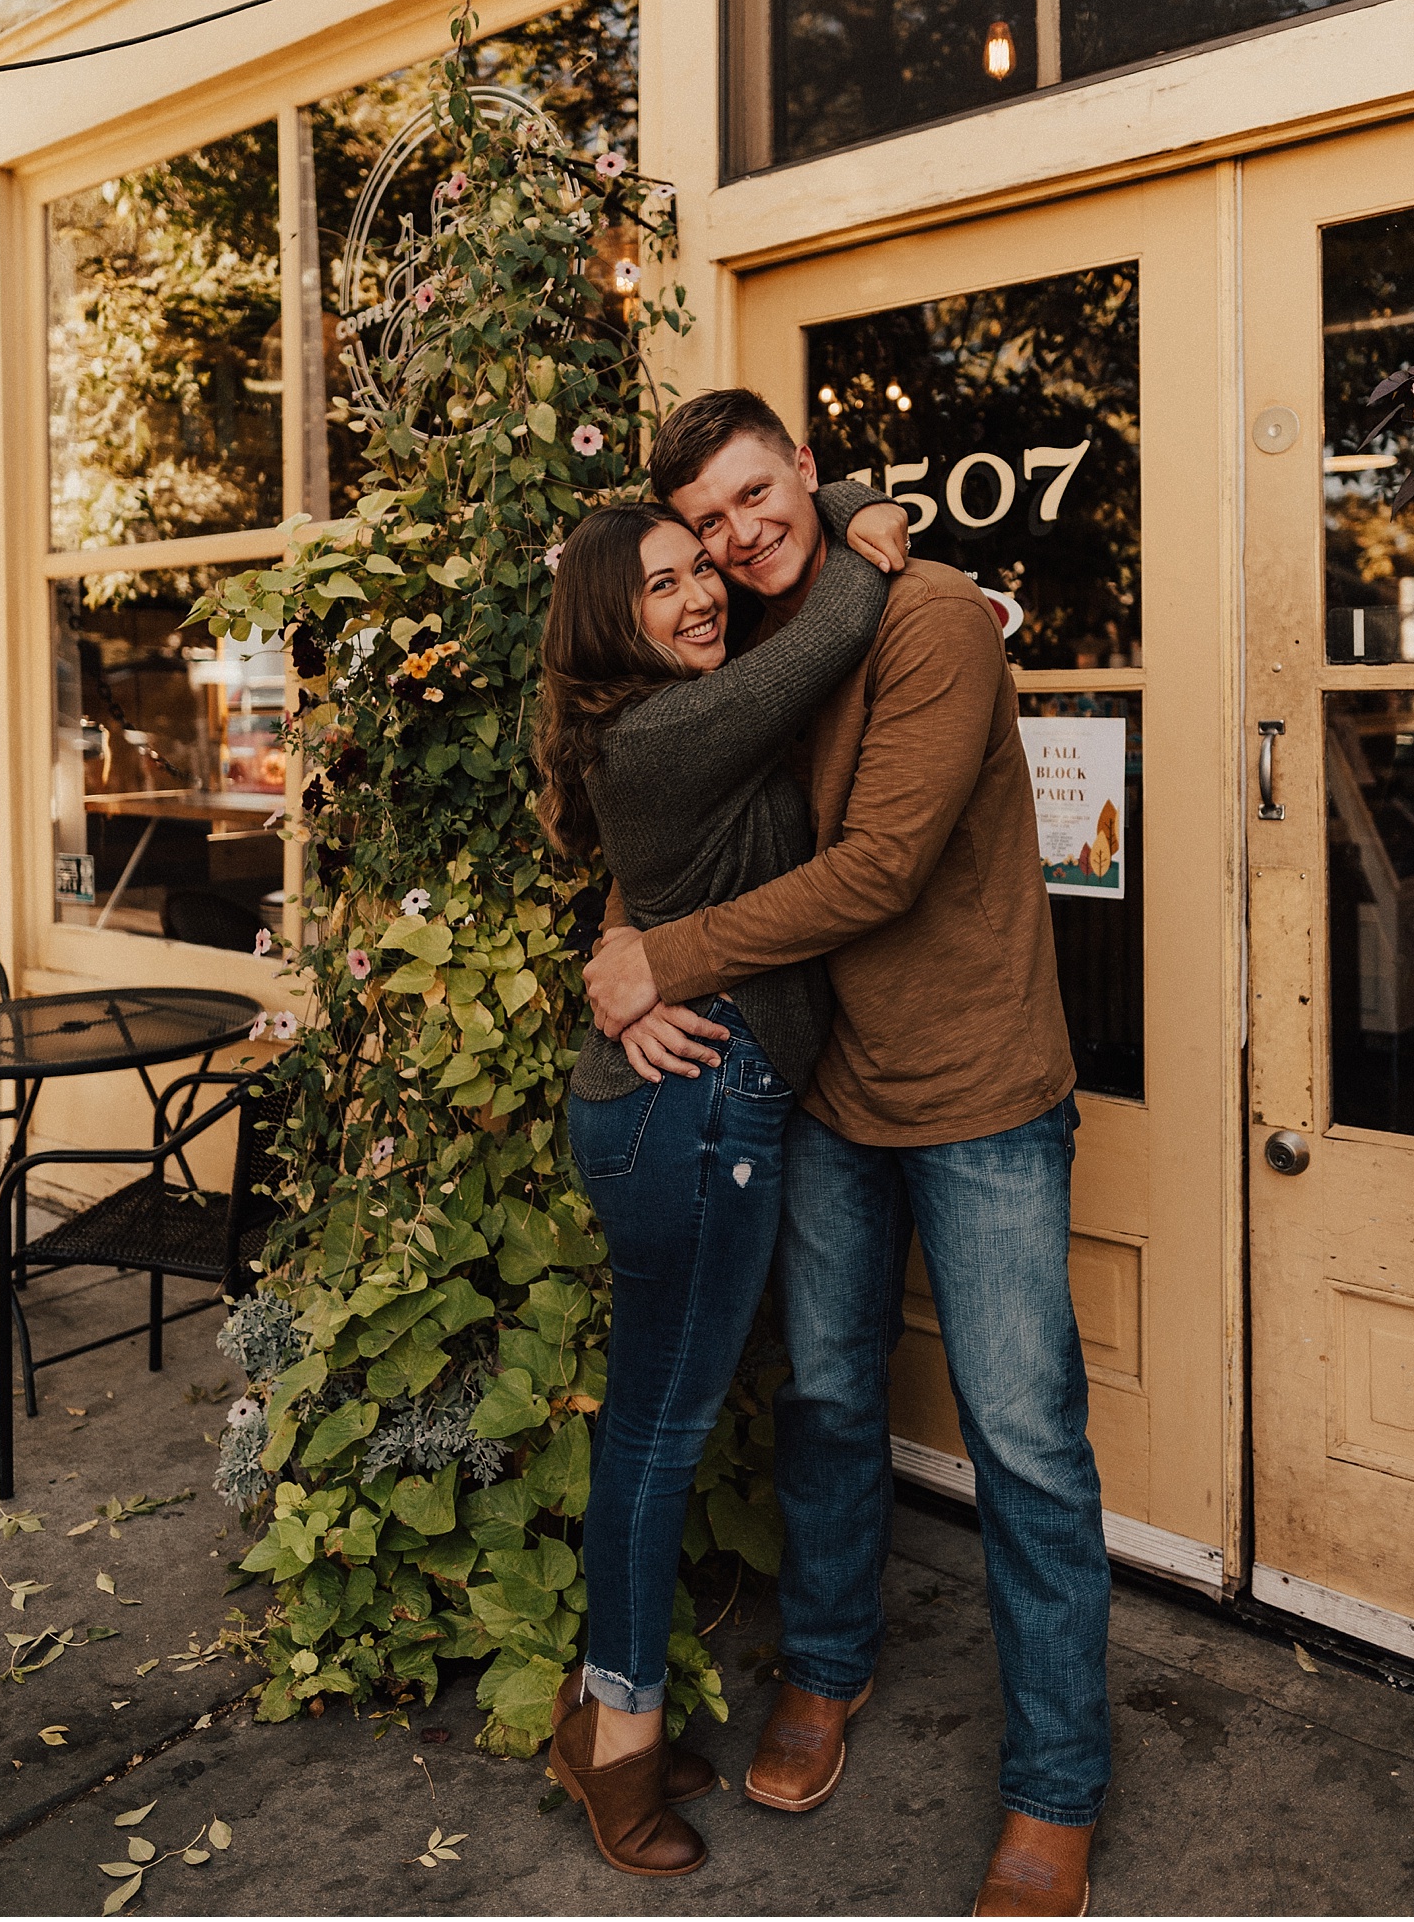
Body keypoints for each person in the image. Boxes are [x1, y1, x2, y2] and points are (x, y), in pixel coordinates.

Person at [584, 389, 1112, 1920]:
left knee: (1026, 1439)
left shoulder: (935, 620)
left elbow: (877, 868)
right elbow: (675, 821)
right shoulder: (749, 634)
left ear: (805, 470)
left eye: (761, 495)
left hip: (980, 1085)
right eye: (711, 522)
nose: (741, 537)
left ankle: (1059, 1780)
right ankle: (823, 1667)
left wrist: (666, 953)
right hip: (823, 1088)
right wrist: (626, 940)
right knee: (823, 1392)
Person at [533, 480, 907, 1878]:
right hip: (689, 1120)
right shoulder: (675, 723)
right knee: (658, 1435)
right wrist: (859, 511)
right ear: (610, 626)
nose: (703, 594)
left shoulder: (670, 717)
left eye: (705, 568)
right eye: (664, 586)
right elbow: (839, 622)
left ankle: (599, 1702)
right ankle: (618, 1740)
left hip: (689, 1105)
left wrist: (842, 491)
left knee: (652, 1420)